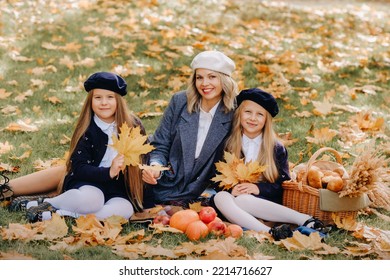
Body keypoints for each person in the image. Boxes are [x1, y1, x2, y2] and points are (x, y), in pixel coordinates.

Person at [23, 72, 147, 222]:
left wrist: (150, 177)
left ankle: (60, 215)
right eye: (98, 97)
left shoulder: (133, 125)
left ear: (118, 100)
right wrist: (109, 172)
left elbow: (142, 159)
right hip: (88, 182)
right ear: (90, 101)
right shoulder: (87, 129)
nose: (104, 102)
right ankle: (47, 203)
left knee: (124, 210)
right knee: (92, 200)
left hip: (117, 189)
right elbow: (79, 167)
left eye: (110, 97)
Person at [213, 88, 328, 240]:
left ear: (266, 120)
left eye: (260, 114)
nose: (253, 118)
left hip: (263, 203)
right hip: (232, 204)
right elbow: (215, 177)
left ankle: (305, 219)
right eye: (248, 112)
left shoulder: (275, 148)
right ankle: (270, 233)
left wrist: (257, 188)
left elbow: (283, 184)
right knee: (219, 197)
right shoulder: (228, 144)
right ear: (239, 114)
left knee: (244, 200)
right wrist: (231, 190)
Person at [142, 50, 239, 207]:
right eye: (199, 77)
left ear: (225, 80)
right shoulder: (180, 101)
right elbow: (161, 143)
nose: (204, 83)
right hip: (167, 183)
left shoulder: (235, 111)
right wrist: (155, 167)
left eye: (212, 77)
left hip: (205, 189)